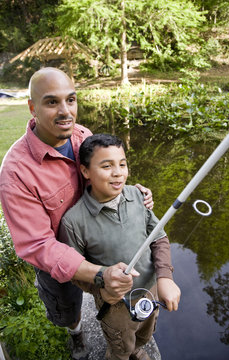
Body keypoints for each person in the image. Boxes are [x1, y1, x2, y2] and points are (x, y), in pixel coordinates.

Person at [0, 68, 154, 360]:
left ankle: (125, 342)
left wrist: (130, 192)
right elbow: (37, 245)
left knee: (119, 300)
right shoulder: (15, 173)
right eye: (51, 102)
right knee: (67, 307)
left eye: (70, 100)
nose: (65, 111)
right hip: (60, 265)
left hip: (98, 244)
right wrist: (99, 274)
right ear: (32, 107)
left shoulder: (82, 135)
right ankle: (76, 334)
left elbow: (102, 173)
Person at [58, 133, 181, 360]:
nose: (118, 172)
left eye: (122, 164)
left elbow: (159, 238)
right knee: (120, 344)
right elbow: (75, 271)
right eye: (107, 166)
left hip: (150, 290)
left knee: (145, 331)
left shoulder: (138, 195)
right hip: (115, 304)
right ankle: (122, 353)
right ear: (85, 171)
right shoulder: (73, 221)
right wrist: (101, 289)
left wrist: (165, 276)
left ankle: (137, 348)